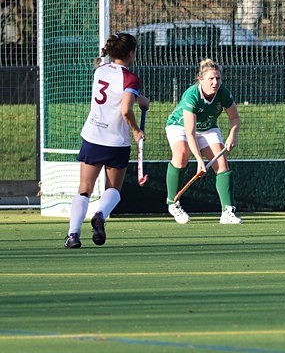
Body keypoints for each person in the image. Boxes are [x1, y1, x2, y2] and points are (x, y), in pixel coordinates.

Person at [66, 33, 150, 248]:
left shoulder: (100, 71)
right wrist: (136, 130)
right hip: (116, 141)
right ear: (131, 53)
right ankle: (100, 215)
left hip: (93, 137)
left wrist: (140, 99)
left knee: (84, 188)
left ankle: (73, 235)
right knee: (113, 189)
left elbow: (114, 94)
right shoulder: (130, 79)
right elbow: (125, 109)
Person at [163, 59, 242, 224]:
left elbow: (234, 118)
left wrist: (232, 135)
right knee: (182, 155)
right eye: (211, 79)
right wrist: (199, 160)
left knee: (222, 164)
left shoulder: (223, 93)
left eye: (218, 79)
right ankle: (173, 202)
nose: (215, 83)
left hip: (207, 128)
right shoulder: (192, 95)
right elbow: (190, 133)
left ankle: (228, 211)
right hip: (180, 127)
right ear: (201, 79)